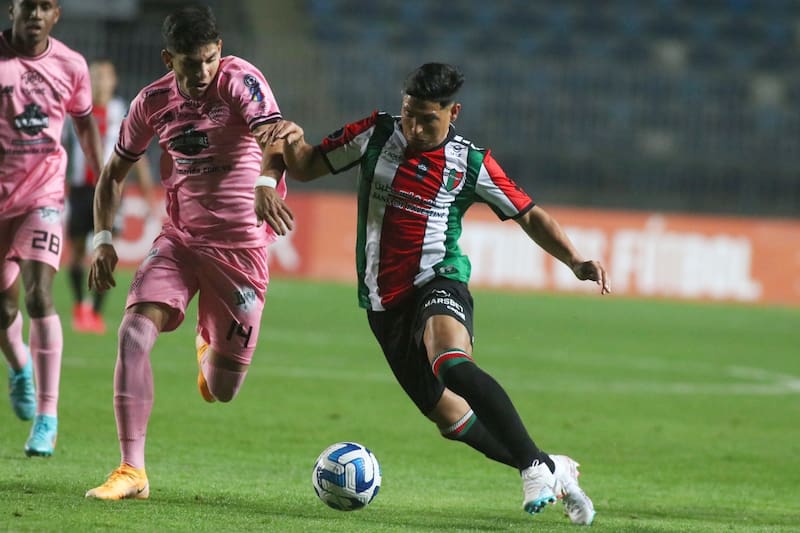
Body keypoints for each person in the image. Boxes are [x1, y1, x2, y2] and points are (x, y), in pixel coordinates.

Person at [268, 63, 610, 524]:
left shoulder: (470, 163)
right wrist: (286, 141)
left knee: (449, 361)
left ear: (454, 114)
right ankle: (552, 467)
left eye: (428, 118)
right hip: (381, 300)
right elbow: (307, 166)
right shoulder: (375, 133)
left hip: (438, 277)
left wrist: (574, 260)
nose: (414, 126)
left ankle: (532, 467)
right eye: (410, 113)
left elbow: (528, 213)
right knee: (453, 421)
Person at [84, 5, 293, 500]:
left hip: (241, 250)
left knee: (222, 390)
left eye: (207, 60)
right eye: (189, 63)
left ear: (218, 51)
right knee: (134, 333)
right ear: (167, 59)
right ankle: (131, 470)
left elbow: (278, 137)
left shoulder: (242, 81)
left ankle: (209, 342)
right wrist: (103, 240)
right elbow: (112, 173)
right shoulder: (151, 101)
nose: (200, 73)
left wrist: (266, 181)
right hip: (179, 241)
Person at [1, 0, 103, 457]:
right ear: (12, 12)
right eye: (28, 6)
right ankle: (20, 365)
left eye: (45, 6)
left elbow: (85, 125)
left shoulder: (71, 65)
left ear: (55, 14)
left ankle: (47, 416)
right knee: (3, 314)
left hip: (43, 196)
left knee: (40, 293)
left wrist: (103, 181)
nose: (36, 14)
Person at [65, 58, 156, 335]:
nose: (100, 81)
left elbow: (136, 154)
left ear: (114, 80)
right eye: (95, 76)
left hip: (112, 189)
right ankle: (81, 305)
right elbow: (62, 148)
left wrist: (147, 192)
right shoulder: (76, 111)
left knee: (107, 252)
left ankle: (96, 312)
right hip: (81, 189)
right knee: (78, 250)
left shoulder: (121, 111)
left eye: (105, 76)